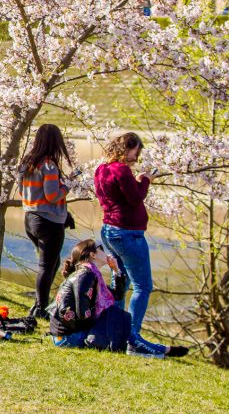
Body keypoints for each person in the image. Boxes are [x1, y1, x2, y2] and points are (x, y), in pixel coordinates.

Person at [48, 239, 187, 358]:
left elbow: (117, 295)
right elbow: (82, 313)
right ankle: (154, 349)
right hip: (68, 337)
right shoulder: (85, 275)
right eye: (101, 248)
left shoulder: (92, 275)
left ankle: (154, 348)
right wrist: (106, 323)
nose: (105, 251)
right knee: (114, 315)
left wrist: (116, 270)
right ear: (92, 255)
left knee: (114, 315)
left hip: (72, 333)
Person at [95, 132, 160, 344]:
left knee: (120, 281)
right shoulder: (121, 170)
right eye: (136, 152)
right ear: (128, 148)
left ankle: (114, 330)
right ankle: (132, 335)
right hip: (127, 233)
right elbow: (135, 198)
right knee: (143, 285)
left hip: (110, 230)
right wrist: (145, 181)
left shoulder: (101, 169)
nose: (137, 157)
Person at [18, 124, 74, 320]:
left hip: (30, 219)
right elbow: (52, 196)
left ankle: (41, 303)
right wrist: (67, 187)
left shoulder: (26, 163)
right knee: (46, 265)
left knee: (52, 262)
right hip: (49, 222)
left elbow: (20, 191)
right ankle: (41, 308)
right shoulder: (49, 165)